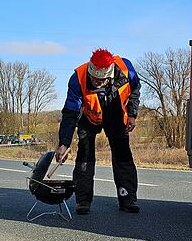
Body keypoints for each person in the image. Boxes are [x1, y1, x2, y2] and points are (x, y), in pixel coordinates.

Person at [55, 48, 141, 215]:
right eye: (93, 79)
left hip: (115, 115)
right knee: (85, 157)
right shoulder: (77, 78)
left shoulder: (126, 69)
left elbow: (135, 89)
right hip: (88, 118)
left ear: (109, 76)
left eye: (99, 80)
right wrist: (64, 143)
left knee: (123, 155)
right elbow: (70, 112)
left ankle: (127, 198)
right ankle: (83, 201)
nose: (95, 82)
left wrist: (132, 114)